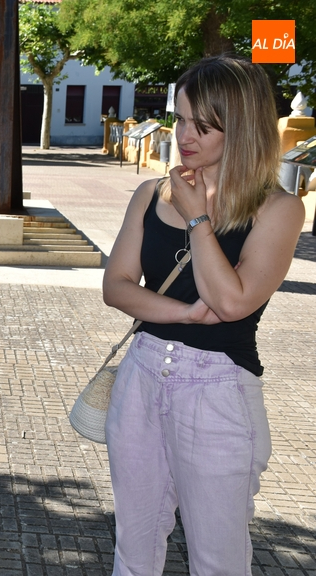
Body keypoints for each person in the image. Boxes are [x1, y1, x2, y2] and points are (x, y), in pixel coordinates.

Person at [102, 55, 304, 575]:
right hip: (142, 373)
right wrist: (187, 313)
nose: (184, 136)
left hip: (218, 390)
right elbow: (117, 286)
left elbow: (233, 302)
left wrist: (198, 218)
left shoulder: (278, 209)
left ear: (241, 129)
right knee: (133, 550)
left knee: (217, 561)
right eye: (181, 118)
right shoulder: (151, 194)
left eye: (203, 126)